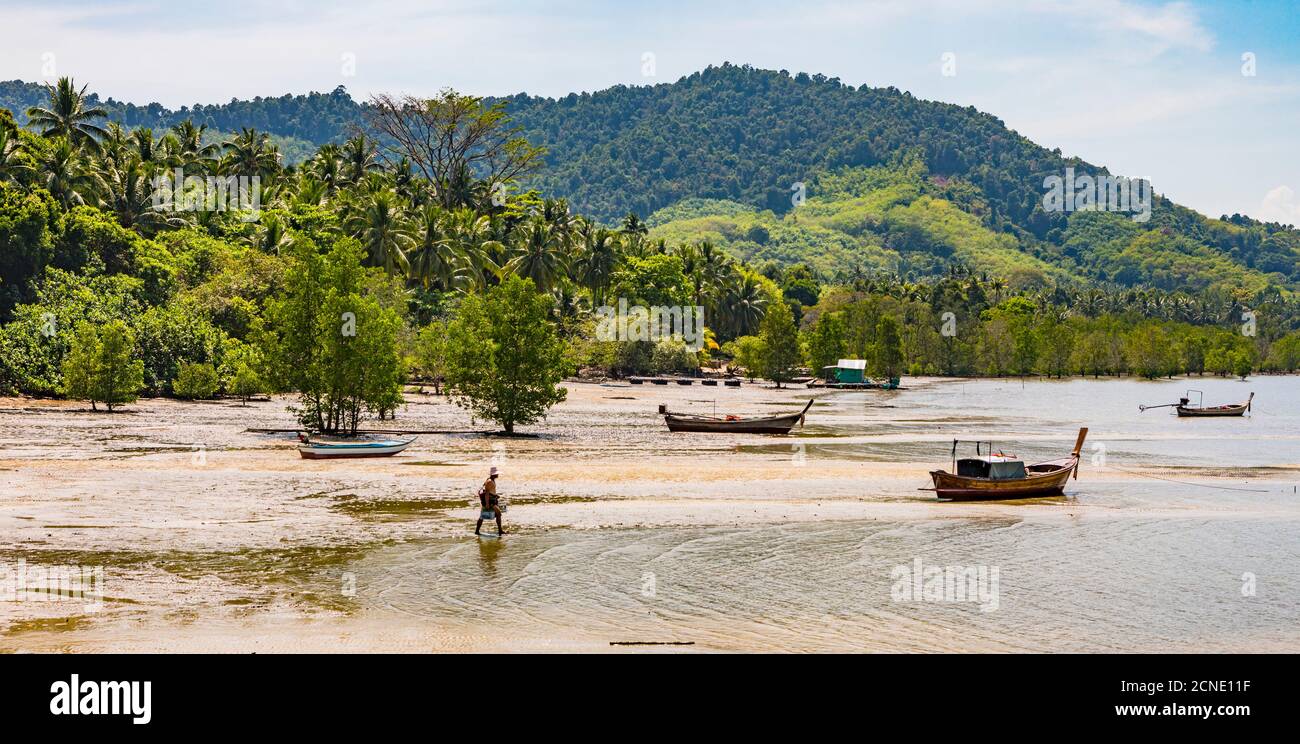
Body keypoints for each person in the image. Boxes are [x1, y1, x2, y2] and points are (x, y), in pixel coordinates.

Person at [476, 466, 506, 536]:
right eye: (496, 473)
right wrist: (487, 504)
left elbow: (490, 492)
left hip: (492, 499)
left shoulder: (491, 480)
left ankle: (477, 531)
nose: (498, 475)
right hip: (490, 501)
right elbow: (486, 493)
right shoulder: (489, 481)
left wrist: (495, 495)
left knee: (482, 517)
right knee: (499, 514)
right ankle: (500, 531)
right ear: (493, 474)